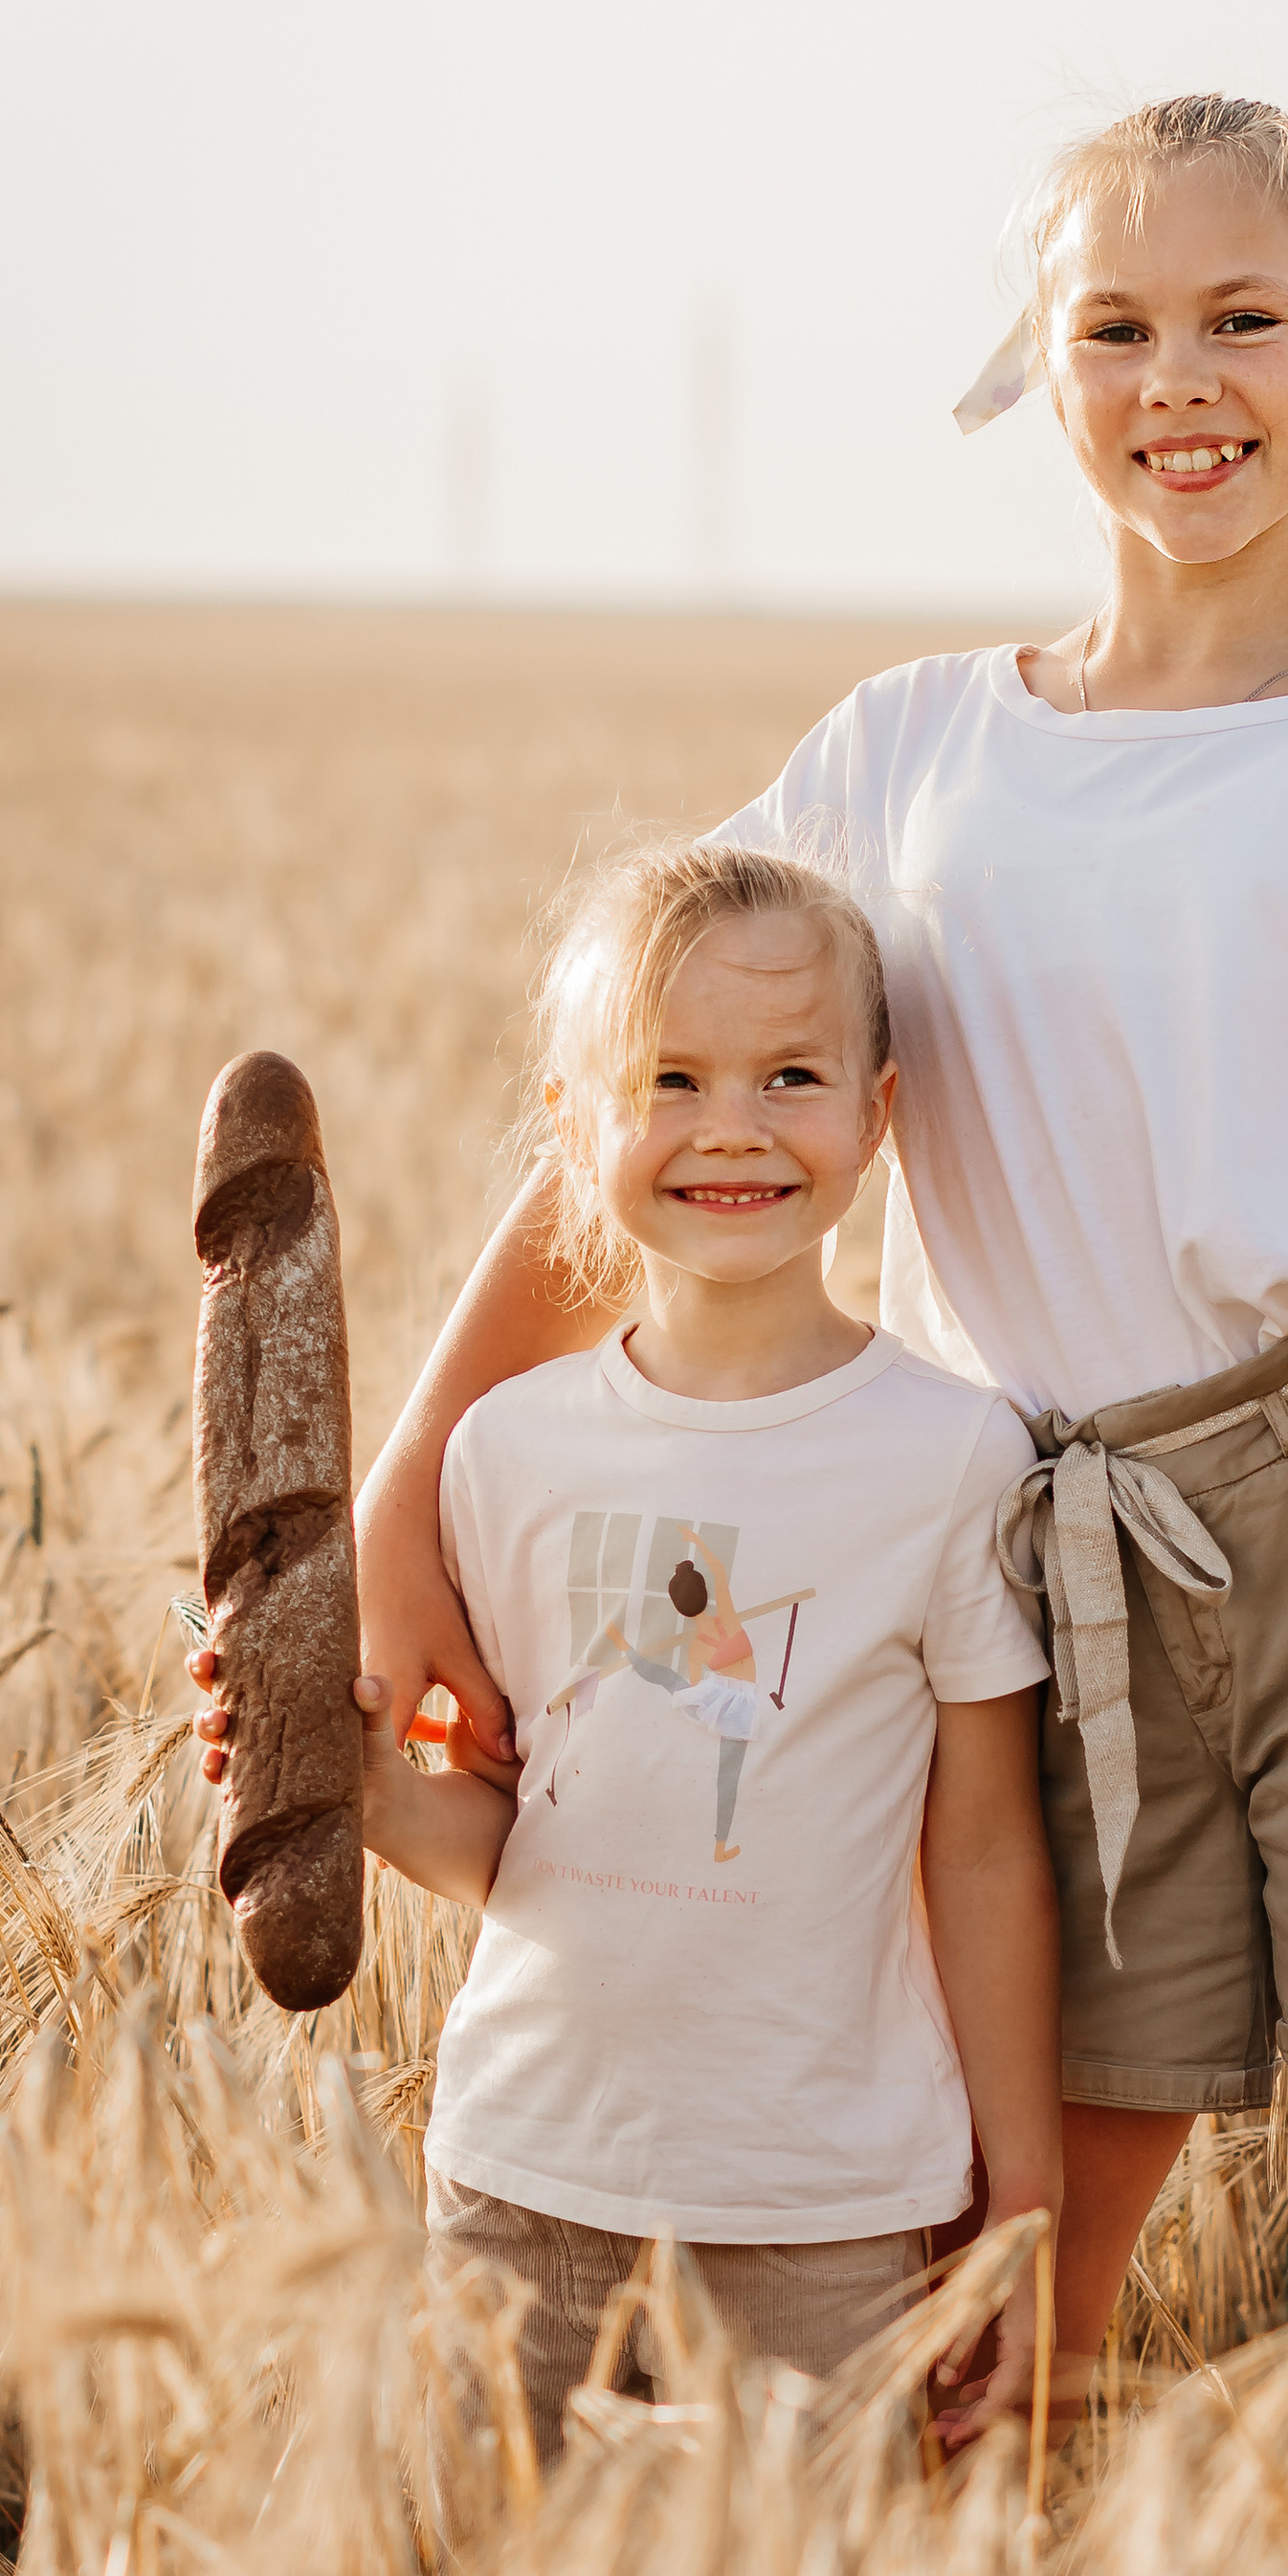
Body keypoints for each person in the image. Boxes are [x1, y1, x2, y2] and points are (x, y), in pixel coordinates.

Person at [326, 94, 1288, 2436]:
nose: (1182, 378)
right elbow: (650, 1114)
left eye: (1244, 321)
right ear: (1039, 377)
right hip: (1027, 1586)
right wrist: (399, 1510)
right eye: (1117, 325)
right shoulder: (895, 755)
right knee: (970, 2355)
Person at [195, 840, 1061, 2458]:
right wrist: (348, 1777)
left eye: (790, 1074)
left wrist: (1024, 2196)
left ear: (877, 1114)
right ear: (571, 1127)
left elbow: (989, 1848)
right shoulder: (505, 1455)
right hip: (527, 2170)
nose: (732, 1123)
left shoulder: (951, 1459)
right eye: (669, 1078)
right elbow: (530, 1837)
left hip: (827, 2209)